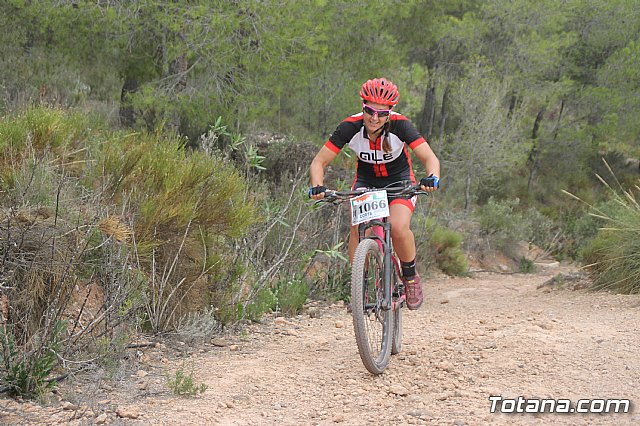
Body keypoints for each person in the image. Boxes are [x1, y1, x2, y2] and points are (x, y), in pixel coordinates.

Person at [309, 77, 440, 310]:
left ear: (390, 112)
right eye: (369, 110)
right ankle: (359, 286)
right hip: (366, 182)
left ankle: (410, 277)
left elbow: (430, 158)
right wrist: (317, 185)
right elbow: (319, 161)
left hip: (399, 181)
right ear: (363, 107)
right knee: (357, 228)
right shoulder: (350, 127)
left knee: (398, 227)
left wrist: (432, 177)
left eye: (381, 113)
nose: (374, 118)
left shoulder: (401, 126)